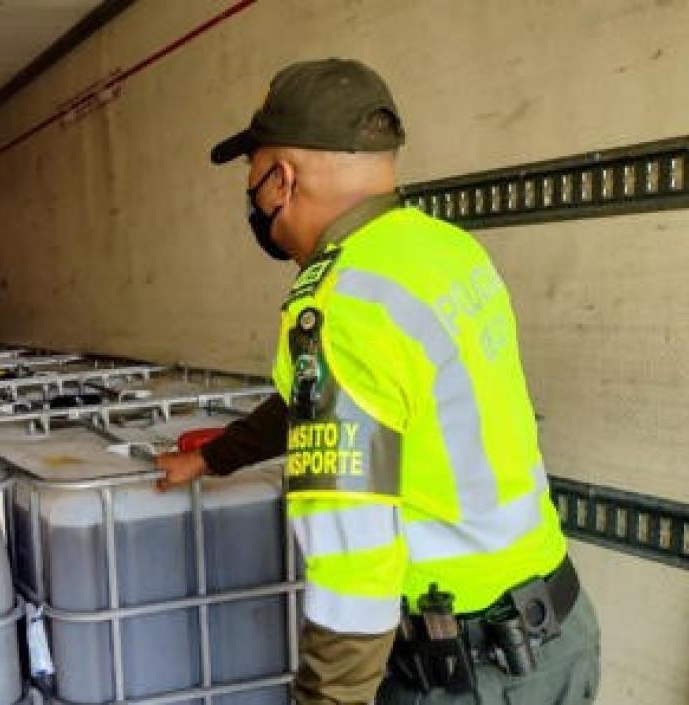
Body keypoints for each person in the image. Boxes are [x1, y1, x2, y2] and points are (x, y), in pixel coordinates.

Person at [155, 58, 600, 704]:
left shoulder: (339, 307)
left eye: (251, 178)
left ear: (281, 179)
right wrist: (212, 458)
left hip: (470, 672)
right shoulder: (445, 251)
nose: (251, 198)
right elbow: (338, 405)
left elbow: (353, 575)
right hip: (560, 634)